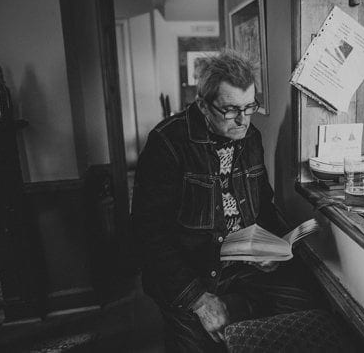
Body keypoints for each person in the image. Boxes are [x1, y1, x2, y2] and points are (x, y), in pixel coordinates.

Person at [131, 50, 321, 352]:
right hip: (192, 270)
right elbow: (148, 236)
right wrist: (198, 299)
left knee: (307, 310)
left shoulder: (251, 137)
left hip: (243, 265)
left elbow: (263, 206)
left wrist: (271, 249)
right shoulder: (167, 143)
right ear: (204, 106)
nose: (243, 120)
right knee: (197, 344)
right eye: (231, 110)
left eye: (249, 107)